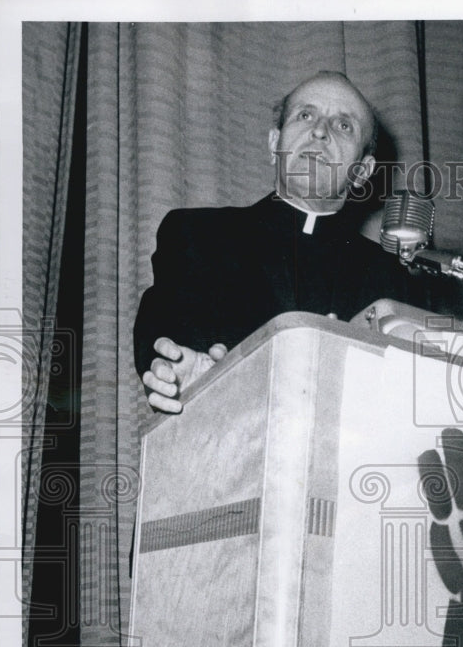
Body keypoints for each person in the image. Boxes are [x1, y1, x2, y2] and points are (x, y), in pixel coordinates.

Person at [135, 70, 424, 412]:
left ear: (362, 170)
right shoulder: (198, 234)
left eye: (343, 125)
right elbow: (168, 329)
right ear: (275, 143)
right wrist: (180, 372)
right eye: (305, 115)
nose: (319, 130)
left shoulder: (394, 279)